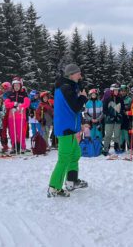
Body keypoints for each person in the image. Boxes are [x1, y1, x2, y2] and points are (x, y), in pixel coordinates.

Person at [48, 64, 88, 197]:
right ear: (71, 74)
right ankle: (54, 187)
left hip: (70, 127)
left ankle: (71, 181)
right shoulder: (65, 88)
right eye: (78, 74)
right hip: (66, 128)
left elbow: (73, 108)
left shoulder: (68, 86)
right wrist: (83, 97)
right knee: (64, 159)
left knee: (75, 154)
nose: (80, 76)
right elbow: (76, 107)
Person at [5, 80, 31, 154]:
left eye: (18, 85)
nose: (16, 87)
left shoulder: (24, 94)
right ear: (13, 86)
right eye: (15, 86)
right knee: (12, 132)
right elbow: (6, 103)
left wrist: (20, 106)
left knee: (21, 132)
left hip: (21, 116)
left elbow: (27, 103)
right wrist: (13, 104)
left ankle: (22, 147)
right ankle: (14, 147)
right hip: (12, 116)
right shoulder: (10, 94)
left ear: (20, 86)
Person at [102, 84, 124, 155]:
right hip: (109, 120)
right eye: (115, 90)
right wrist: (109, 115)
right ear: (111, 91)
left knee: (117, 134)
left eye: (117, 90)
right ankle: (106, 149)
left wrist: (119, 115)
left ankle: (117, 147)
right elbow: (104, 109)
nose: (117, 91)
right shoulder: (107, 99)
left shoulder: (120, 99)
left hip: (117, 120)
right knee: (108, 135)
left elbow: (122, 109)